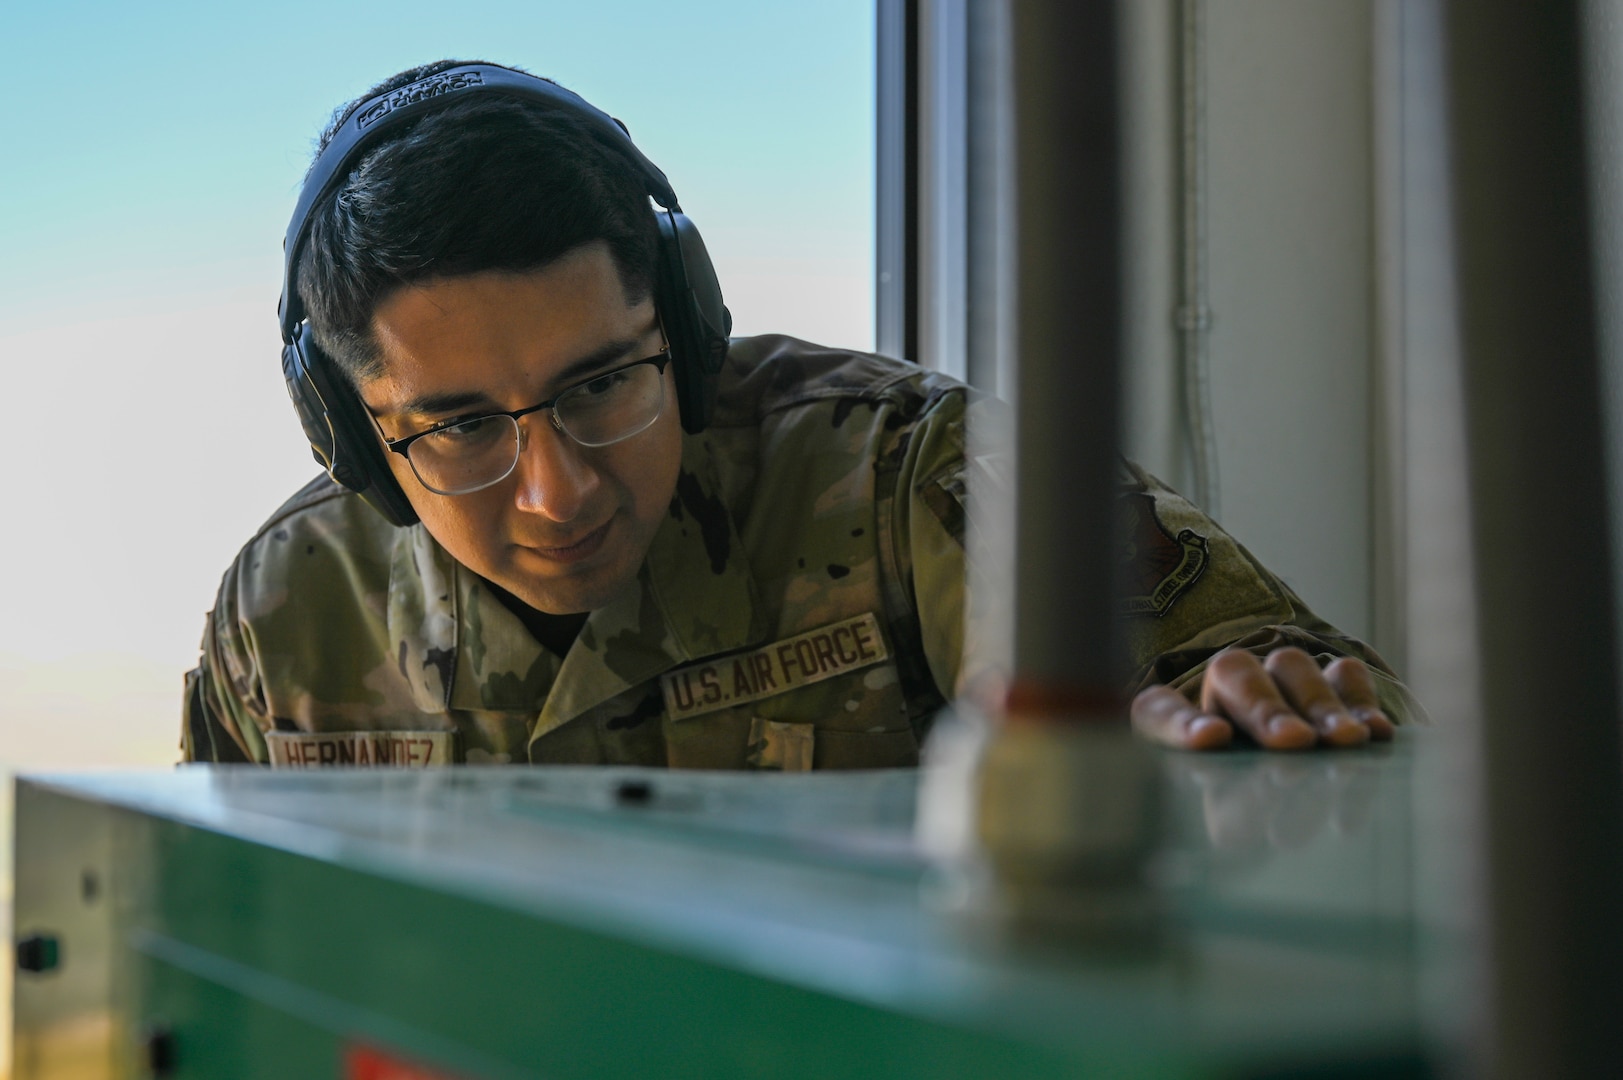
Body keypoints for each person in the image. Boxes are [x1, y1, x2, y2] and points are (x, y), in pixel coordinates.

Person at [182, 60, 1412, 768]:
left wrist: (1254, 721)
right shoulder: (282, 618)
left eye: (604, 381)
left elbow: (1305, 704)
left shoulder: (900, 475)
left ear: (686, 323)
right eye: (458, 428)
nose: (557, 491)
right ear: (351, 431)